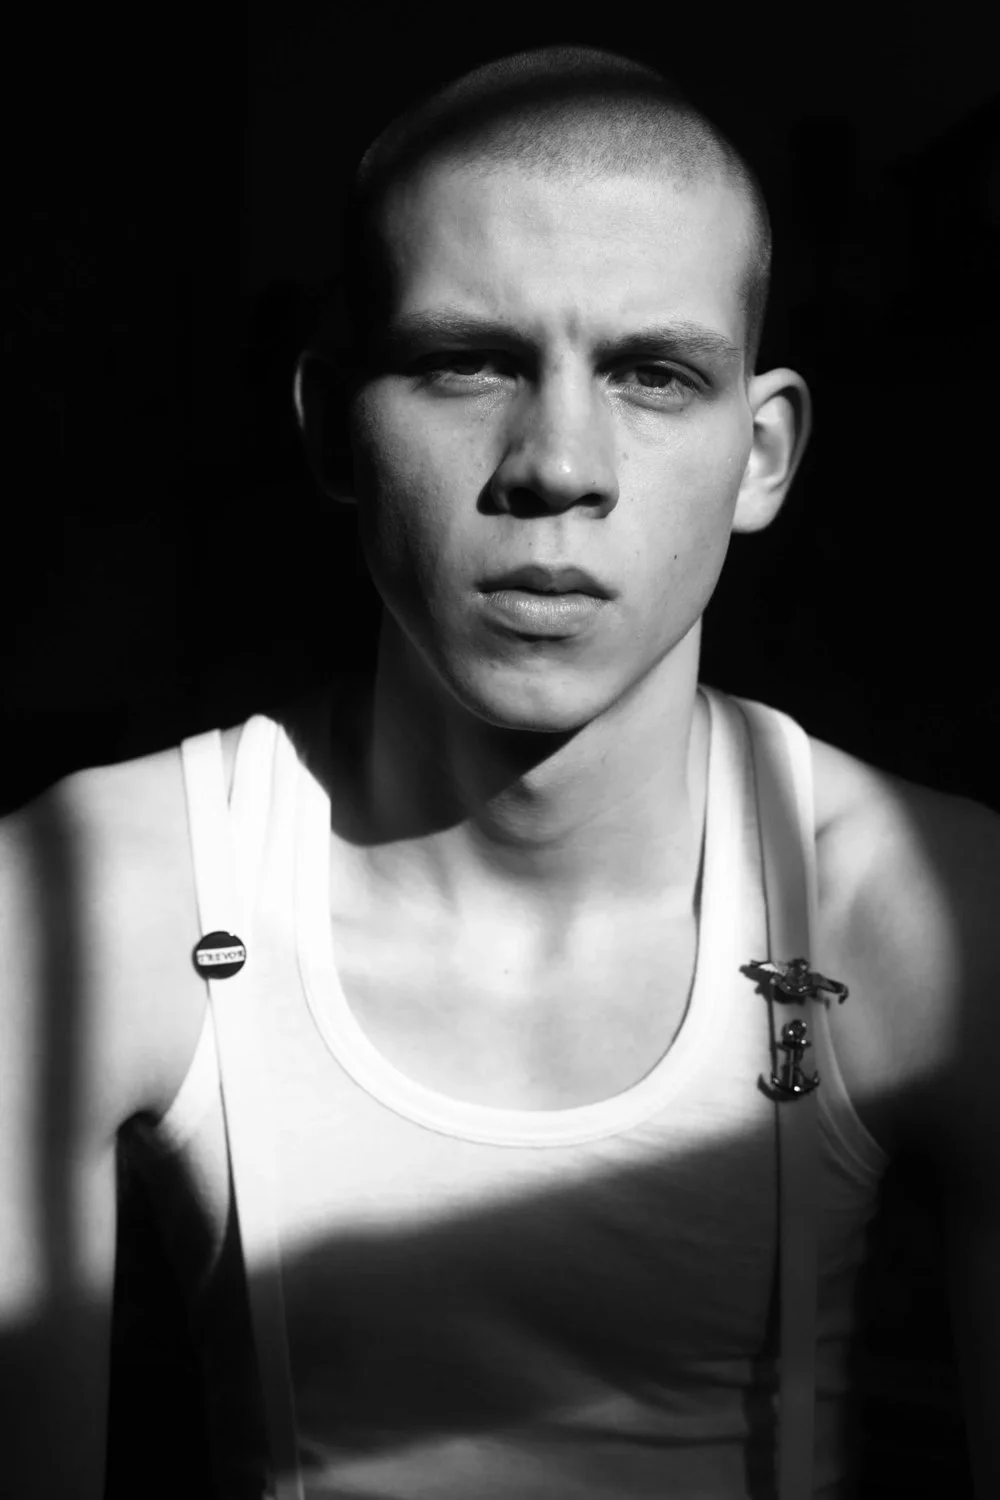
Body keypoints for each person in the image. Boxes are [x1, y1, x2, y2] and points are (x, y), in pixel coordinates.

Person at [1, 41, 998, 1500]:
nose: (557, 465)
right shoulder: (95, 901)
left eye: (654, 376)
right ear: (336, 415)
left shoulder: (933, 910)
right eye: (468, 362)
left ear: (765, 452)